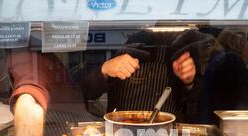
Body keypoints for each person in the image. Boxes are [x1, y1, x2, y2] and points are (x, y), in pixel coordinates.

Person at [82, 30, 214, 123]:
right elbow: (87, 92)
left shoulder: (188, 53)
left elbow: (197, 109)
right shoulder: (130, 49)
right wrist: (104, 70)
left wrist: (189, 83)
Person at [196, 29, 248, 124]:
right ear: (239, 43)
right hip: (218, 121)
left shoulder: (219, 57)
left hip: (210, 115)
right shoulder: (232, 60)